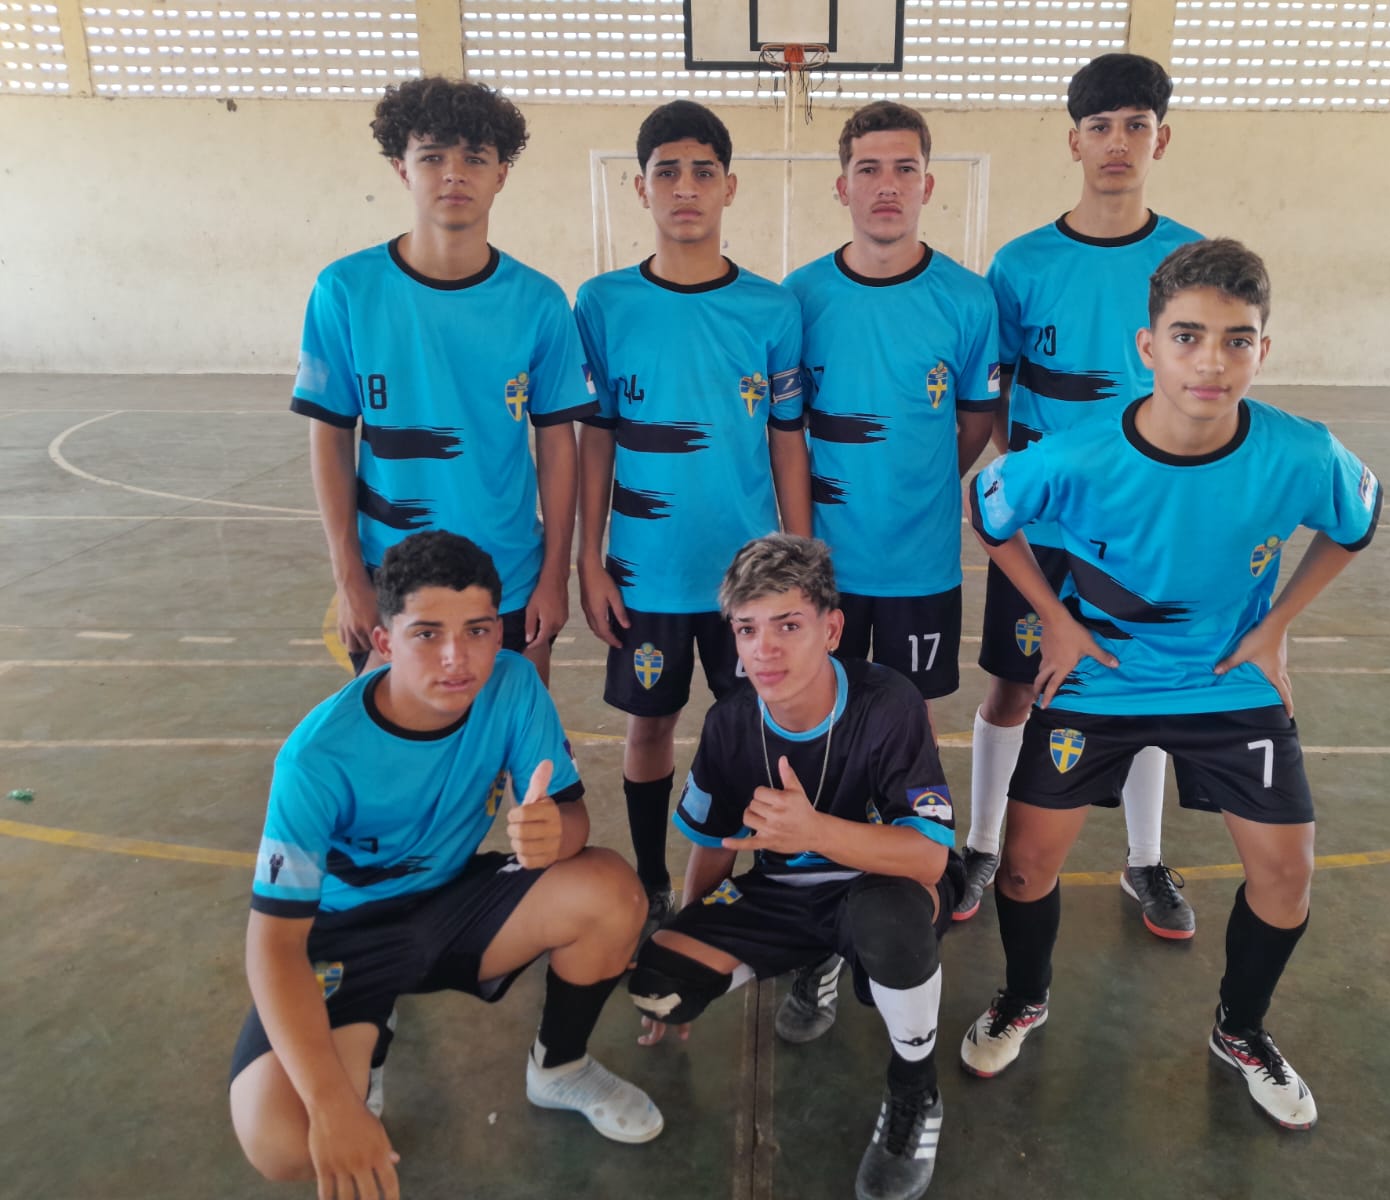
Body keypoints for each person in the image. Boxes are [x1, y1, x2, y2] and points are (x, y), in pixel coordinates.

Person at [959, 239, 1382, 1132]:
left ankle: (1241, 1029)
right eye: (1188, 336)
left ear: (1263, 350)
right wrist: (1055, 617)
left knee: (1287, 876)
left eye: (1237, 339)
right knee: (1025, 865)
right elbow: (989, 512)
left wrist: (1278, 623)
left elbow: (1354, 524)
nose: (1211, 361)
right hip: (1102, 680)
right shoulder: (1076, 455)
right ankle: (1023, 997)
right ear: (1147, 347)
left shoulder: (1302, 453)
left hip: (1226, 683)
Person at [229, 531, 662, 1199]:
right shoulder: (316, 759)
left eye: (478, 631)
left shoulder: (513, 685)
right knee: (284, 1141)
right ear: (384, 642)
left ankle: (560, 1066)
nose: (457, 658)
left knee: (611, 892)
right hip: (343, 938)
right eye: (427, 634)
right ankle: (368, 1030)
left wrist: (556, 835)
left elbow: (572, 818)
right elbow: (274, 945)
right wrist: (334, 1106)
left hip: (452, 902)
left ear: (498, 633)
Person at [629, 534, 961, 1200]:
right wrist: (692, 938)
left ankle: (915, 1092)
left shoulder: (886, 702)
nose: (765, 649)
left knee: (888, 920)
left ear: (831, 630)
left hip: (882, 884)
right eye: (747, 629)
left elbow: (928, 858)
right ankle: (816, 960)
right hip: (781, 890)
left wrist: (814, 831)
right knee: (658, 978)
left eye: (788, 625)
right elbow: (716, 843)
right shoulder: (729, 723)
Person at [960, 53, 1205, 933]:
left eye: (1137, 125)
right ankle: (981, 845)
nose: (1117, 142)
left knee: (1138, 690)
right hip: (1046, 532)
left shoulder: (1188, 260)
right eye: (1100, 126)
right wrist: (1032, 484)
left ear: (1161, 140)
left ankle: (1145, 859)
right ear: (1074, 141)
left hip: (1145, 531)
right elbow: (995, 396)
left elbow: (1201, 395)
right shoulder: (1021, 264)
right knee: (1013, 688)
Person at [574, 100, 810, 934]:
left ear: (729, 187)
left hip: (748, 579)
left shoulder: (771, 309)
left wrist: (802, 558)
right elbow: (596, 438)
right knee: (650, 728)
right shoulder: (602, 304)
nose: (685, 187)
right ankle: (651, 881)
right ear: (641, 188)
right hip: (647, 574)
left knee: (763, 731)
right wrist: (590, 559)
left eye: (703, 171)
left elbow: (786, 439)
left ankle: (760, 879)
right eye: (666, 171)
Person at [292, 76, 594, 681]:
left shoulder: (539, 301)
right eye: (432, 157)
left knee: (511, 736)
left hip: (509, 575)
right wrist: (349, 577)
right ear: (401, 169)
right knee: (400, 736)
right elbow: (331, 435)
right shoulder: (345, 290)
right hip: (390, 576)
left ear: (501, 173)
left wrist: (553, 575)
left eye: (474, 158)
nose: (454, 174)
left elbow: (558, 444)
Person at [783, 100, 998, 721]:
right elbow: (787, 431)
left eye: (905, 169)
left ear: (926, 186)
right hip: (827, 564)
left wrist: (920, 477)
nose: (887, 186)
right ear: (842, 186)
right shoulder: (800, 297)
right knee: (825, 716)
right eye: (868, 169)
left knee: (912, 721)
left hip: (922, 563)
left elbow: (975, 422)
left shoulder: (968, 299)